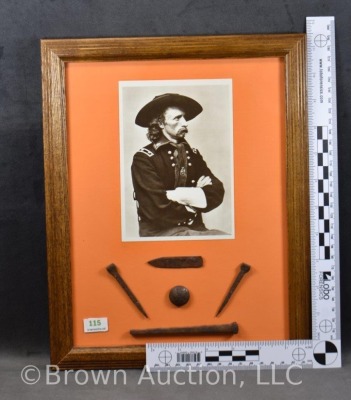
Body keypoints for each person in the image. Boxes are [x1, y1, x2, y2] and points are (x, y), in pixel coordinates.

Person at [131, 93, 226, 237]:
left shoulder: (192, 154)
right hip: (162, 234)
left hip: (197, 229)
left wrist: (174, 195)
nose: (185, 123)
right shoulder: (144, 158)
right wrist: (196, 198)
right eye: (177, 118)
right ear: (161, 123)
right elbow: (156, 210)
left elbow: (217, 192)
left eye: (185, 117)